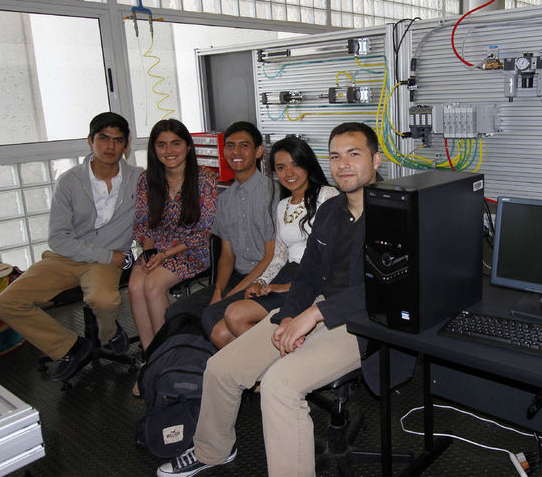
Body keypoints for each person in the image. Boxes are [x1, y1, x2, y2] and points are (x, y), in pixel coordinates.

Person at [156, 122, 384, 477]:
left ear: (376, 160)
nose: (343, 164)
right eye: (335, 156)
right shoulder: (330, 211)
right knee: (221, 369)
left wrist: (315, 313)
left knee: (279, 386)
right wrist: (290, 316)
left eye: (354, 154)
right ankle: (212, 451)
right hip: (317, 307)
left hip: (364, 323)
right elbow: (307, 275)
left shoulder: (394, 214)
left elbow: (385, 289)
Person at [0, 112, 142, 382]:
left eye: (118, 140)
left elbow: (154, 216)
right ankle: (69, 347)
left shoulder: (138, 179)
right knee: (6, 303)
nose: (110, 146)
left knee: (104, 300)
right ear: (90, 141)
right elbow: (58, 238)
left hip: (104, 264)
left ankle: (109, 332)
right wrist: (107, 255)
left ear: (126, 145)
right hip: (67, 257)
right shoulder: (70, 181)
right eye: (103, 138)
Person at [206, 137, 339, 349]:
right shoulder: (282, 205)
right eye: (281, 167)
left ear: (308, 164)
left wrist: (288, 287)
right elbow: (279, 256)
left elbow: (334, 256)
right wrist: (261, 282)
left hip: (312, 278)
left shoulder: (327, 195)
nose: (289, 173)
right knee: (220, 333)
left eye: (295, 164)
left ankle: (288, 358)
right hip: (288, 272)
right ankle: (274, 363)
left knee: (234, 314)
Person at [162, 121, 278, 331]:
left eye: (244, 145)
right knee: (175, 313)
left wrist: (230, 296)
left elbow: (271, 257)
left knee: (213, 317)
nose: (236, 152)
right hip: (237, 277)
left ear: (259, 151)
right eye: (230, 146)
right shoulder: (224, 200)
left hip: (266, 279)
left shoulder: (274, 193)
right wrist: (218, 292)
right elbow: (227, 255)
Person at [128, 119, 217, 353]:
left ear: (188, 146)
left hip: (192, 250)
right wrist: (149, 251)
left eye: (176, 143)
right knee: (135, 287)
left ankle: (166, 353)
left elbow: (204, 232)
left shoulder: (205, 180)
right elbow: (144, 223)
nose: (169, 151)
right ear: (154, 149)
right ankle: (150, 355)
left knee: (153, 285)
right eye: (162, 145)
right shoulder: (146, 180)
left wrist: (165, 255)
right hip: (156, 248)